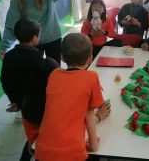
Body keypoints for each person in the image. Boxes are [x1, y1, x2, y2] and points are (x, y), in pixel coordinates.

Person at [35, 33, 111, 161]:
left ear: (63, 58)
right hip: (72, 153)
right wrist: (93, 144)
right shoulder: (92, 77)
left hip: (42, 151)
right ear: (90, 59)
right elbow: (89, 113)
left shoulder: (54, 74)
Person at [0, 19, 59, 161]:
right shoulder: (40, 60)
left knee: (33, 135)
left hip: (25, 107)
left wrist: (16, 101)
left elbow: (5, 80)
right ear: (34, 38)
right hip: (41, 107)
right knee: (41, 136)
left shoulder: (8, 56)